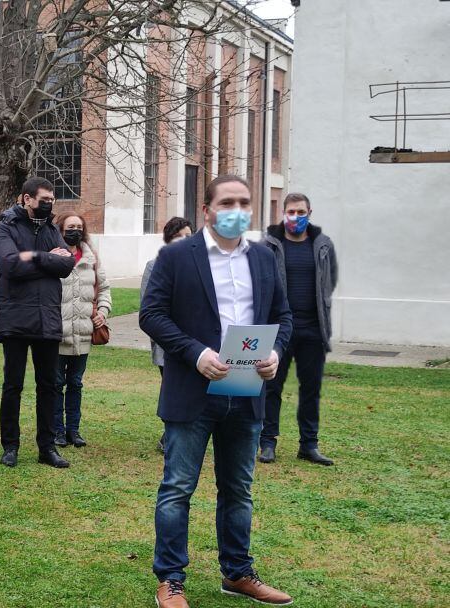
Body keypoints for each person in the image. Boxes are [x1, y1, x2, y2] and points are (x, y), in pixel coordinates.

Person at [140, 175, 293, 607]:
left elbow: (283, 315)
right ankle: (170, 579)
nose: (237, 210)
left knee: (238, 490)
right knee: (177, 489)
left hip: (247, 390)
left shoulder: (264, 257)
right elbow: (151, 314)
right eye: (227, 202)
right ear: (206, 209)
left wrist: (277, 353)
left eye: (244, 202)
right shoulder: (176, 257)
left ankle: (237, 573)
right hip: (193, 389)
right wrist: (194, 353)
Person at [0, 177, 75, 469]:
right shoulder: (6, 226)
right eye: (44, 200)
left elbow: (67, 264)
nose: (48, 204)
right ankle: (10, 446)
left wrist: (36, 260)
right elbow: (9, 264)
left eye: (52, 200)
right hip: (16, 317)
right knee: (13, 385)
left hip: (47, 318)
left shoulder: (53, 228)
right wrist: (46, 258)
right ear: (26, 198)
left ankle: (47, 447)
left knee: (49, 386)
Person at [260, 193, 338, 466]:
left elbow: (329, 282)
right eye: (291, 212)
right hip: (279, 330)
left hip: (312, 330)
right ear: (283, 213)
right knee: (271, 387)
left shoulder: (322, 245)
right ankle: (267, 442)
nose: (296, 216)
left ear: (309, 212)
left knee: (311, 389)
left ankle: (309, 445)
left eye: (300, 212)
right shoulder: (270, 244)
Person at [52, 212, 111, 449]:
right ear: (61, 230)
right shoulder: (53, 256)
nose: (74, 230)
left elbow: (104, 288)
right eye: (70, 226)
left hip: (84, 333)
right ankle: (56, 430)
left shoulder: (91, 257)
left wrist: (103, 312)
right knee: (55, 384)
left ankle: (73, 430)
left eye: (78, 226)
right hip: (58, 333)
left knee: (75, 383)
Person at [140, 217, 193, 452]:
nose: (186, 241)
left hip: (195, 342)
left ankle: (180, 434)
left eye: (189, 236)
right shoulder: (155, 265)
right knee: (172, 388)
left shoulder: (200, 266)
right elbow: (148, 308)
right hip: (168, 342)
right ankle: (169, 434)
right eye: (180, 236)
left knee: (190, 390)